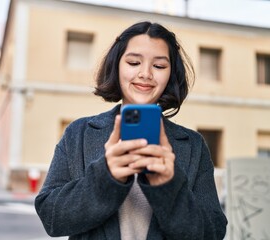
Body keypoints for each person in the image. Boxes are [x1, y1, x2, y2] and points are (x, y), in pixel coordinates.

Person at [35, 21, 227, 240]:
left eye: (159, 66)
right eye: (134, 62)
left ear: (171, 75)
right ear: (117, 66)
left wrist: (167, 186)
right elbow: (50, 217)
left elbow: (213, 232)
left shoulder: (193, 145)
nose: (145, 74)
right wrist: (105, 177)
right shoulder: (78, 133)